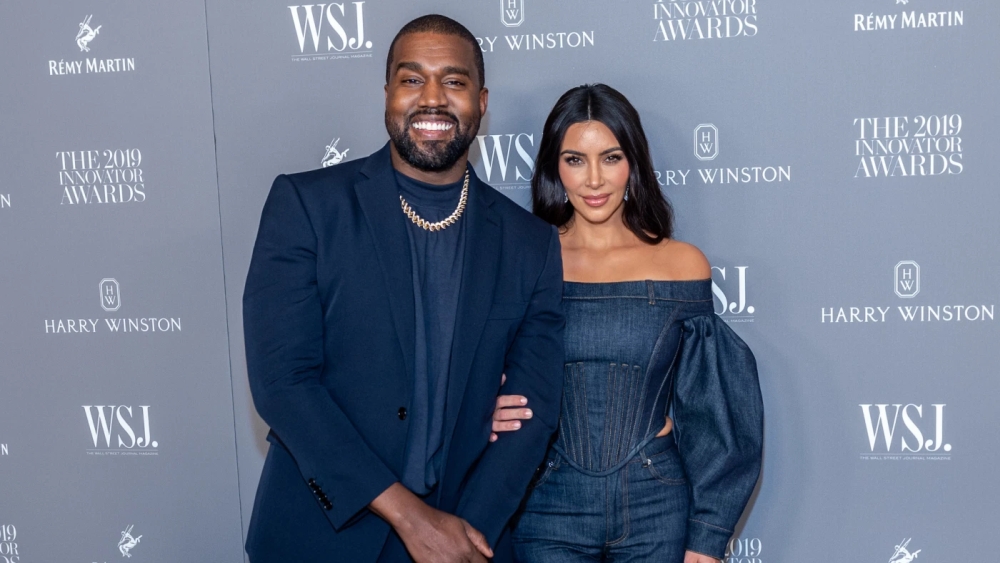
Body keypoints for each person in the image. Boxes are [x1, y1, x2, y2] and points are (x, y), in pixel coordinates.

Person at [242, 15, 565, 562]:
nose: (432, 98)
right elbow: (283, 384)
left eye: (454, 81)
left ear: (482, 102)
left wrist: (465, 537)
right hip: (320, 535)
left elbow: (533, 414)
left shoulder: (529, 242)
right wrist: (413, 519)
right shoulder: (308, 207)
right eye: (412, 79)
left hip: (465, 536)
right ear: (388, 95)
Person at [492, 84, 764, 562]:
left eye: (611, 158)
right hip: (547, 502)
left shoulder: (681, 265)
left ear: (633, 163)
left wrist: (707, 536)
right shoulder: (523, 260)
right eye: (575, 160)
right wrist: (483, 410)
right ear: (555, 167)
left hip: (655, 502)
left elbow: (714, 410)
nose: (594, 179)